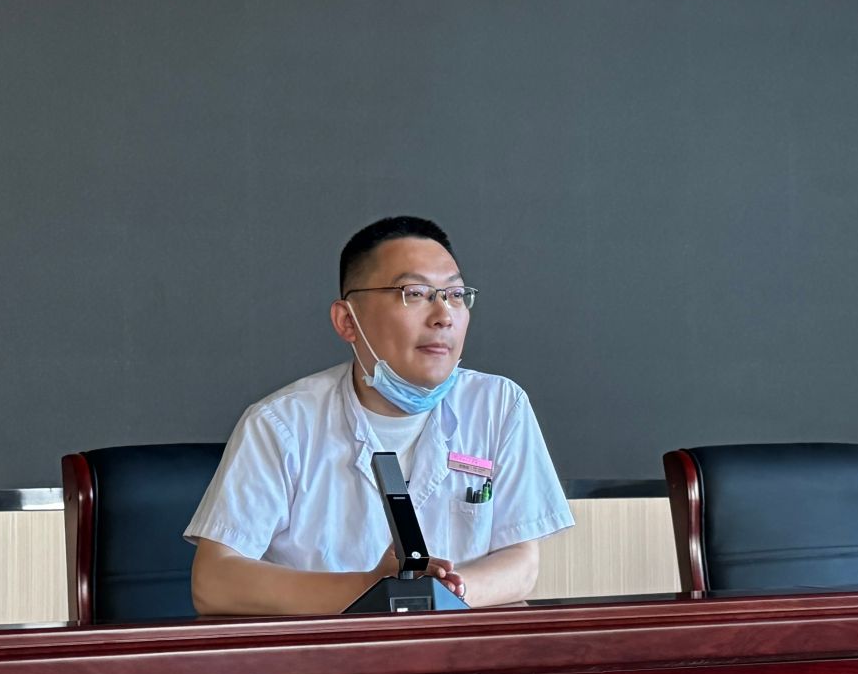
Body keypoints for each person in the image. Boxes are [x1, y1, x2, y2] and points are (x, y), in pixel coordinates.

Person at [186, 216, 573, 614]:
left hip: (456, 643)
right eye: (415, 293)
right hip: (327, 648)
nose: (444, 316)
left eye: (456, 294)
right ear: (347, 321)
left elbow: (522, 563)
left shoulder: (499, 405)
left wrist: (438, 596)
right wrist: (374, 591)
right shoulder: (281, 423)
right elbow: (215, 582)